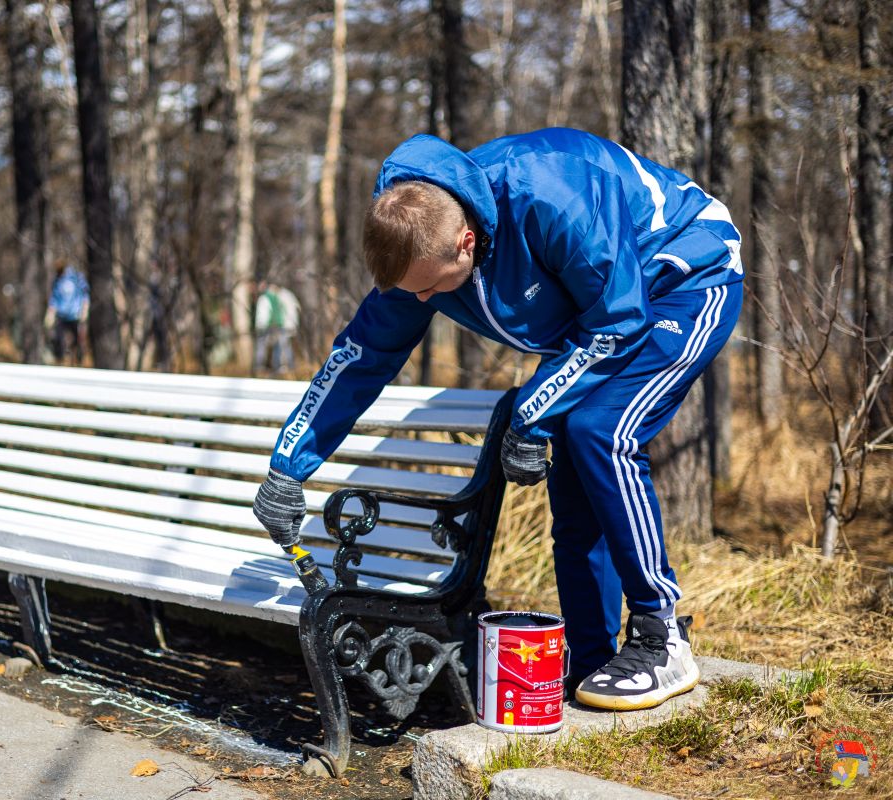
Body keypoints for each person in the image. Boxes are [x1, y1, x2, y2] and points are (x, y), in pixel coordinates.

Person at [251, 128, 744, 712]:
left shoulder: (552, 194)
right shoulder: (418, 243)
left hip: (685, 276)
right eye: (414, 292)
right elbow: (361, 358)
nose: (424, 300)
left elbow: (617, 319)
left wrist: (531, 416)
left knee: (601, 432)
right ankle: (591, 660)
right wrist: (288, 467)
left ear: (467, 242)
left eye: (432, 287)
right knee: (575, 477)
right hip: (605, 315)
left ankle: (661, 638)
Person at [45, 261, 90, 365]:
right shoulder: (57, 280)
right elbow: (54, 298)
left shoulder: (76, 278)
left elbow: (85, 294)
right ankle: (59, 359)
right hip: (61, 315)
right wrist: (50, 313)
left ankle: (78, 360)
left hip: (75, 315)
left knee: (78, 340)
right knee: (58, 338)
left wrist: (85, 309)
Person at [253, 281, 299, 376]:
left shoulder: (273, 297)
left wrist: (265, 324)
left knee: (280, 345)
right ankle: (280, 366)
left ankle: (278, 366)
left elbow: (270, 313)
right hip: (280, 324)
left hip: (277, 325)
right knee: (280, 345)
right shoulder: (278, 296)